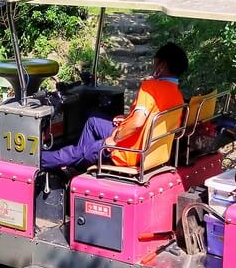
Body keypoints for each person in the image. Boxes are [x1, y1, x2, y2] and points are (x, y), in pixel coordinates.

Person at [40, 42, 188, 171]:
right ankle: (81, 166)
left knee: (76, 152)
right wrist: (127, 118)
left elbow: (137, 122)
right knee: (93, 121)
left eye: (155, 62)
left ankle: (39, 160)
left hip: (128, 151)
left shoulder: (151, 87)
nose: (152, 64)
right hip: (147, 147)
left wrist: (115, 138)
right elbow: (151, 120)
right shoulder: (177, 95)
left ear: (162, 65)